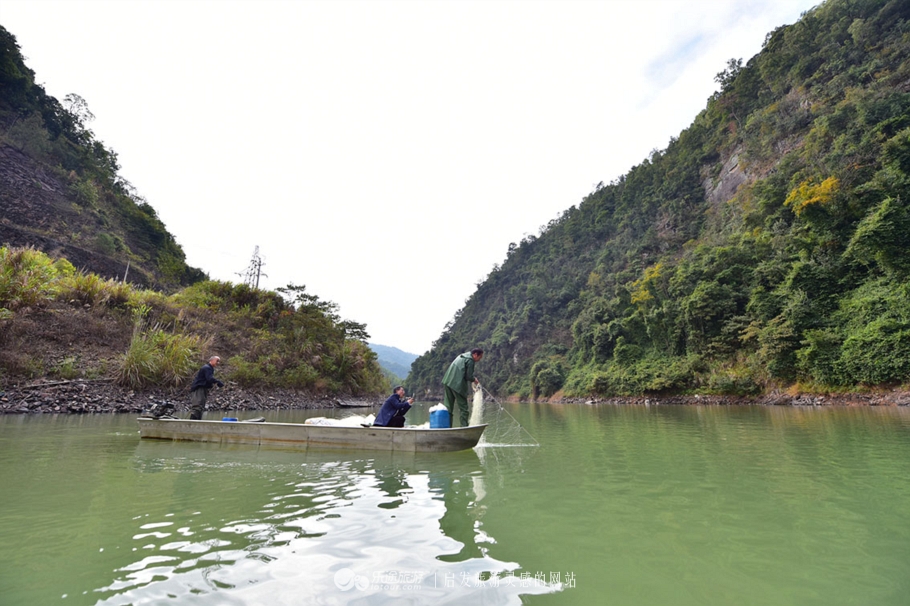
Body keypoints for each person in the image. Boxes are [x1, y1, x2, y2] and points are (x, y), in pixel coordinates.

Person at [442, 348, 483, 427]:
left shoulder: (462, 356)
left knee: (448, 408)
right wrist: (474, 380)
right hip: (457, 384)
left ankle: (447, 427)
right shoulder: (470, 360)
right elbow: (468, 376)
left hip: (447, 381)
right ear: (475, 355)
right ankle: (464, 427)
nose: (479, 359)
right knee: (464, 409)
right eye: (480, 357)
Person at [188, 356, 224, 420]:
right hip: (199, 388)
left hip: (203, 388)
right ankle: (192, 423)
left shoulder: (210, 368)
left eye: (219, 361)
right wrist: (218, 382)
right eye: (217, 361)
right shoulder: (207, 368)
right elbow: (209, 378)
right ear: (212, 360)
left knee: (201, 406)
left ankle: (198, 422)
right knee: (197, 406)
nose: (218, 363)